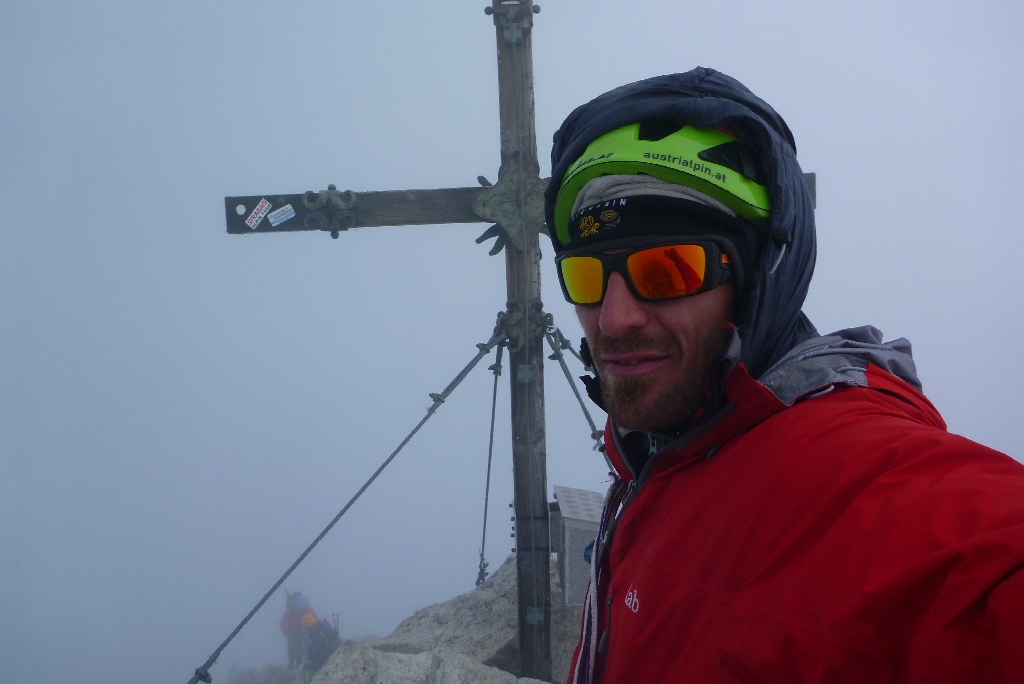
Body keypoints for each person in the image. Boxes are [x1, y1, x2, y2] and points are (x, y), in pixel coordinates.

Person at [544, 67, 1024, 683]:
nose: (614, 319)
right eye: (585, 276)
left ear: (754, 287)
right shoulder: (666, 458)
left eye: (667, 271)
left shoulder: (843, 466)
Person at [280, 592, 318, 670]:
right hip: (293, 631)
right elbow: (283, 622)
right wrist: (285, 631)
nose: (300, 610)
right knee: (293, 648)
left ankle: (298, 663)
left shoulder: (305, 607)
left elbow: (315, 618)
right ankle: (293, 664)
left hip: (301, 630)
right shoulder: (291, 609)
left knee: (298, 648)